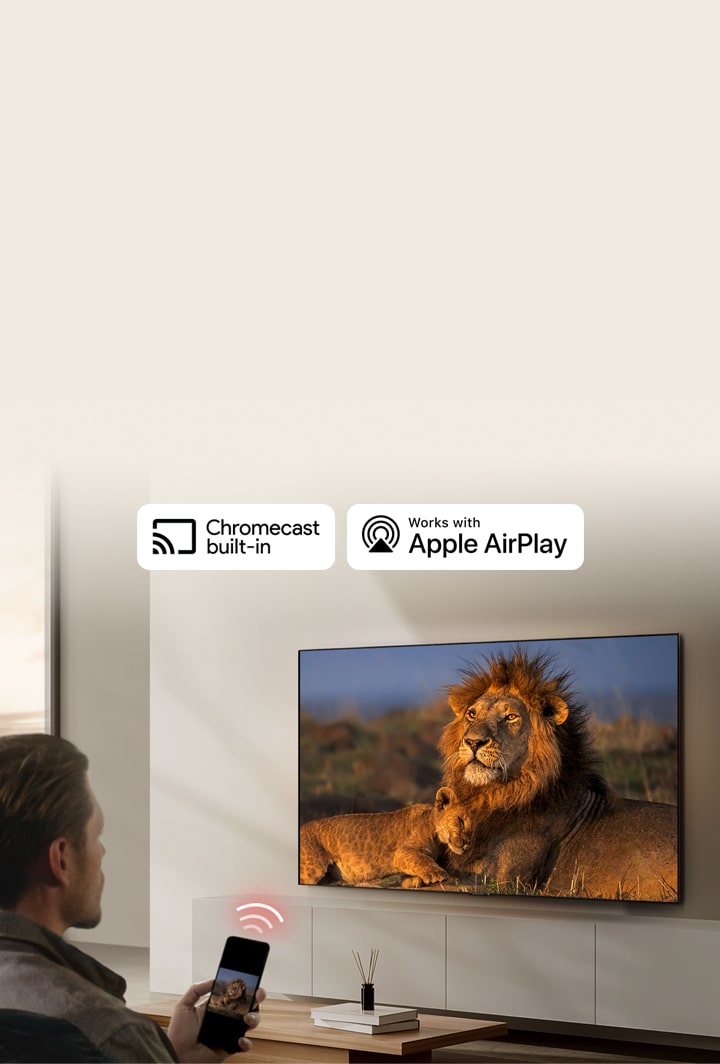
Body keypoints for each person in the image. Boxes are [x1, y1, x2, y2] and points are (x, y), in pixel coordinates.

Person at [0, 733, 264, 1062]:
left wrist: (173, 1056)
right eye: (97, 834)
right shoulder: (113, 1035)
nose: (103, 850)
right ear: (62, 859)